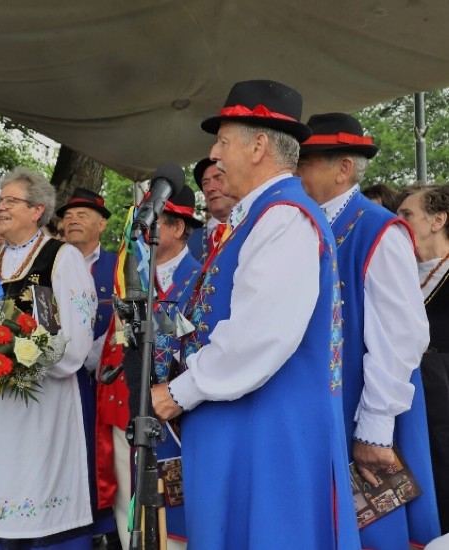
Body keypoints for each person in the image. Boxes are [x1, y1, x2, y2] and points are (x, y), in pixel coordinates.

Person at [151, 80, 359, 548]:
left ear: (259, 145)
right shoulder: (258, 216)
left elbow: (259, 335)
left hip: (268, 435)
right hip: (249, 430)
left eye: (224, 141)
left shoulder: (283, 217)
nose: (215, 153)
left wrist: (178, 392)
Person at [296, 112, 439, 548]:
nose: (298, 170)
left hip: (363, 411)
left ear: (343, 169)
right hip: (322, 408)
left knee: (374, 532)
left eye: (309, 161)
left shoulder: (378, 229)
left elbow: (404, 336)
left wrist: (375, 429)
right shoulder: (308, 225)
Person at [0, 167, 97, 549]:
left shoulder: (62, 259)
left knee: (38, 491)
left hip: (40, 408)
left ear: (37, 210)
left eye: (10, 200)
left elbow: (75, 344)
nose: (1, 207)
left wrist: (20, 364)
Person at [102, 185, 202, 550]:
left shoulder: (200, 277)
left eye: (156, 220)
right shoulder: (135, 281)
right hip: (141, 415)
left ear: (177, 228)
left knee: (181, 524)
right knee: (141, 516)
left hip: (183, 416)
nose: (145, 230)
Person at [56, 187, 119, 547]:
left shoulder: (119, 265)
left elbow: (124, 321)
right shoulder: (51, 262)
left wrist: (92, 355)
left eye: (82, 214)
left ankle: (105, 527)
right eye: (68, 215)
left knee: (101, 453)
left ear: (102, 223)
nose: (73, 220)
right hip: (59, 377)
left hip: (104, 378)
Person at [397, 184, 449, 534]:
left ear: (438, 220)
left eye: (407, 215)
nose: (398, 223)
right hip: (404, 406)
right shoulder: (398, 273)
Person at [186, 158, 236, 262]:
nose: (210, 188)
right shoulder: (189, 242)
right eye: (205, 183)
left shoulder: (256, 226)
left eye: (218, 178)